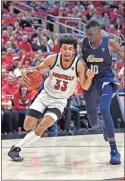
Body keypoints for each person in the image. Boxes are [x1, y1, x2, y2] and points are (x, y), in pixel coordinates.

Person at [8, 34, 95, 161]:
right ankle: (38, 119)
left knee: (42, 126)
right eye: (64, 48)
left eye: (70, 49)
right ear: (60, 49)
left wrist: (90, 77)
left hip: (60, 101)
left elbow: (85, 86)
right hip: (45, 95)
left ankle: (16, 149)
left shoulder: (79, 65)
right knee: (27, 126)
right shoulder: (52, 59)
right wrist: (25, 71)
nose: (67, 51)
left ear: (74, 50)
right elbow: (37, 70)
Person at [81, 20, 124, 164]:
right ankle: (104, 126)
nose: (89, 36)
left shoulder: (110, 43)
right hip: (90, 83)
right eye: (87, 34)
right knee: (93, 123)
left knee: (105, 109)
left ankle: (114, 150)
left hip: (106, 80)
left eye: (91, 33)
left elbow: (123, 55)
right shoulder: (83, 44)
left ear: (99, 32)